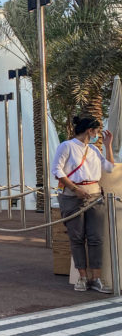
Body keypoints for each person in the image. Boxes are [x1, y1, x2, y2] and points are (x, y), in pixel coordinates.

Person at [52, 116, 114, 293]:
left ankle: (96, 278)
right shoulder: (67, 146)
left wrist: (108, 145)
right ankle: (82, 277)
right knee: (77, 237)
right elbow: (57, 169)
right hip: (72, 196)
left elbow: (109, 168)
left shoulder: (93, 149)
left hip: (94, 195)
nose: (97, 135)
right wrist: (75, 188)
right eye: (97, 131)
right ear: (90, 131)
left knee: (96, 238)